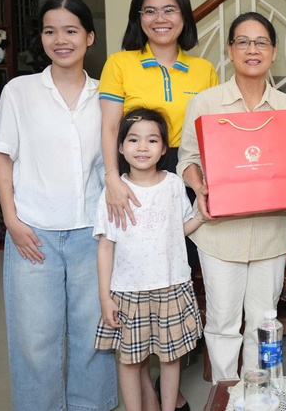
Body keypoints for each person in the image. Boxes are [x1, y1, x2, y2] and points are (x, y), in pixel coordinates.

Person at [99, 0, 217, 410]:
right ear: (138, 18)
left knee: (168, 276)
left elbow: (210, 134)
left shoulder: (203, 69)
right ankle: (148, 394)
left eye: (169, 9)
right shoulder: (120, 63)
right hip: (131, 174)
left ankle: (164, 392)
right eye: (149, 10)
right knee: (132, 280)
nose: (160, 18)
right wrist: (112, 177)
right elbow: (112, 127)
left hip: (181, 177)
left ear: (183, 16)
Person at [0, 0, 118, 411]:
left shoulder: (107, 96)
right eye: (50, 31)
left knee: (92, 334)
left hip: (90, 233)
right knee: (35, 337)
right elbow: (3, 157)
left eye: (70, 30)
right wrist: (11, 220)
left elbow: (108, 167)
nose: (60, 39)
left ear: (89, 37)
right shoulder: (20, 91)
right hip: (33, 231)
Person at [177, 12, 286, 382]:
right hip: (220, 231)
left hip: (272, 229)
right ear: (230, 50)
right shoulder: (205, 103)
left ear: (274, 51)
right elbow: (187, 159)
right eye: (243, 42)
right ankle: (225, 393)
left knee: (264, 320)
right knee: (222, 321)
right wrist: (200, 184)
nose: (252, 50)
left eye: (261, 42)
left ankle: (260, 395)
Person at [94, 108, 204, 411]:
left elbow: (179, 230)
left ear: (164, 148)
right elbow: (105, 246)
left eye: (152, 140)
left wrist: (203, 216)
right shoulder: (114, 191)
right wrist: (105, 297)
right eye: (133, 139)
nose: (142, 147)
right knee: (130, 360)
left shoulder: (172, 184)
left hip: (172, 285)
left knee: (170, 358)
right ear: (120, 147)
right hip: (128, 290)